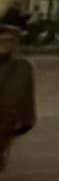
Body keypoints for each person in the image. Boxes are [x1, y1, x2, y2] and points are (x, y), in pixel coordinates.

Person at [0, 22, 35, 171]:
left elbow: (28, 94)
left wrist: (28, 119)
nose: (7, 44)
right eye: (3, 40)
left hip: (6, 120)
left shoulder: (24, 66)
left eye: (12, 40)